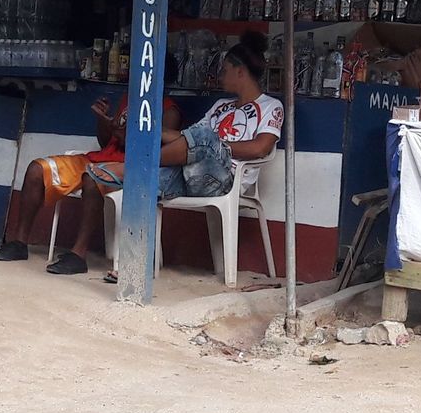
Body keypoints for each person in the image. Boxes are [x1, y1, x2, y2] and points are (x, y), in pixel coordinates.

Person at [48, 35, 284, 277]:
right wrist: (155, 130)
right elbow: (187, 139)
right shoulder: (221, 106)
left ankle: (138, 165)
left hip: (225, 178)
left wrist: (215, 145)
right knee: (95, 177)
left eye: (224, 70)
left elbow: (260, 148)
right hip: (188, 174)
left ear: (240, 71)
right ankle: (81, 255)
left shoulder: (271, 106)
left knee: (204, 138)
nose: (220, 76)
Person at [0, 89, 179, 262]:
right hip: (96, 159)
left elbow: (156, 155)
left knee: (91, 180)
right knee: (36, 170)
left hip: (127, 169)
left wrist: (121, 133)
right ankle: (19, 243)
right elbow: (106, 142)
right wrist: (103, 121)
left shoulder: (169, 111)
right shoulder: (129, 99)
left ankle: (78, 254)